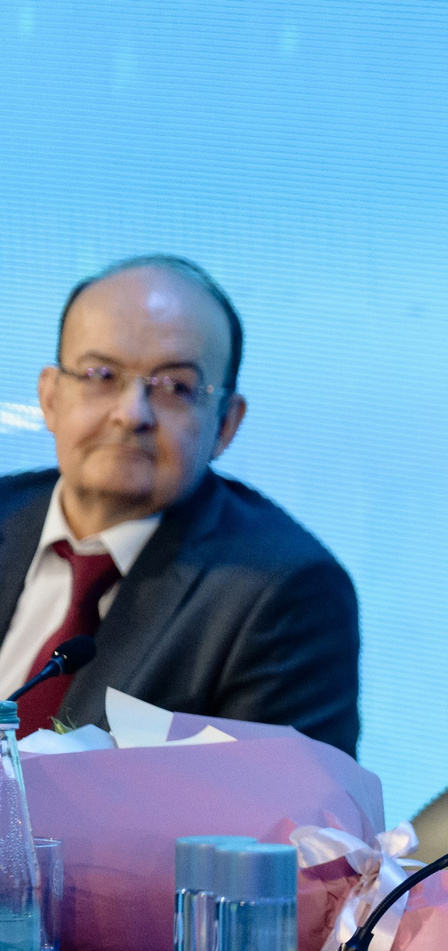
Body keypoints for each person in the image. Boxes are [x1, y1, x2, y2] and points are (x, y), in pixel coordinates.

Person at [0, 255, 361, 752]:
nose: (131, 414)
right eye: (101, 375)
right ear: (50, 398)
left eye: (175, 387)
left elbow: (284, 799)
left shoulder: (286, 592)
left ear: (226, 424)